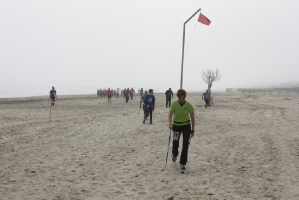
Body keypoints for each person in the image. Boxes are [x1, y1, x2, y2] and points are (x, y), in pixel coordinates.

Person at [168, 89, 195, 171]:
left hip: (186, 126)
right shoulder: (174, 104)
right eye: (180, 98)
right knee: (175, 142)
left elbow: (193, 118)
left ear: (185, 97)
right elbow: (170, 115)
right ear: (178, 97)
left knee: (185, 144)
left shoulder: (189, 105)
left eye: (183, 98)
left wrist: (193, 130)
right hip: (176, 126)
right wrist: (170, 124)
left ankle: (182, 163)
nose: (181, 100)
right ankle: (174, 154)